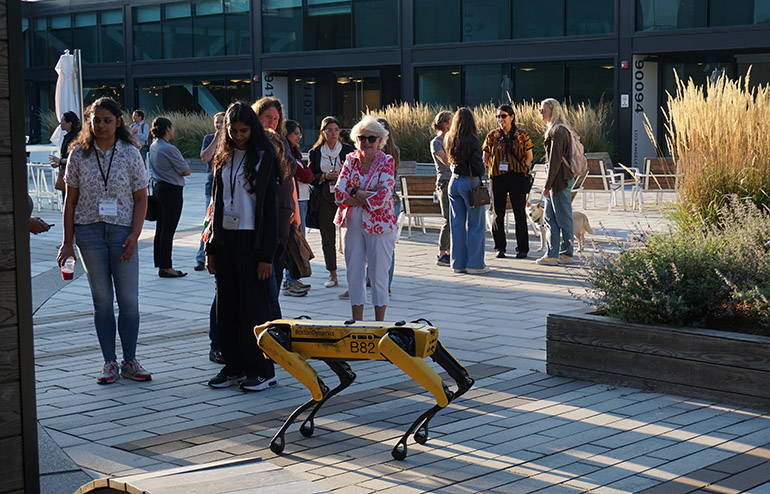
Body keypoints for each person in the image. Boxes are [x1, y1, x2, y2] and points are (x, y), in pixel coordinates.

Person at [56, 97, 150, 384]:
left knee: (129, 300)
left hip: (123, 232)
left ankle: (130, 360)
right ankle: (109, 362)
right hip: (89, 233)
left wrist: (135, 235)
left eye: (107, 120)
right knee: (102, 302)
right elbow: (70, 202)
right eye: (95, 120)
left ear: (118, 122)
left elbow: (141, 197)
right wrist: (67, 242)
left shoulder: (130, 153)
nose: (101, 125)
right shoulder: (78, 155)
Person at [204, 101, 278, 392]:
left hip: (253, 240)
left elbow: (270, 210)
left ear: (253, 128)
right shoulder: (224, 156)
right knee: (228, 307)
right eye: (232, 131)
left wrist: (266, 255)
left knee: (255, 309)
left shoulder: (263, 157)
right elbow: (216, 206)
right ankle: (233, 365)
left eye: (243, 130)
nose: (237, 135)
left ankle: (262, 369)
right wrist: (211, 247)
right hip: (225, 240)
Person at [334, 116, 397, 321]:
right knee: (354, 271)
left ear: (380, 140)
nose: (366, 142)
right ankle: (356, 322)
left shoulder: (387, 161)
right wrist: (364, 193)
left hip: (380, 224)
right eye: (362, 138)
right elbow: (338, 193)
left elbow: (383, 196)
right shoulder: (350, 160)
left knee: (379, 274)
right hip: (352, 221)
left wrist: (353, 192)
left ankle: (379, 325)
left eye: (371, 138)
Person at [252, 97, 296, 293]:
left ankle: (273, 300)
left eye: (276, 119)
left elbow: (290, 174)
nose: (271, 122)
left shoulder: (282, 141)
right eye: (267, 117)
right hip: (260, 208)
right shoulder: (251, 140)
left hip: (284, 206)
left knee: (279, 257)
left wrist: (296, 210)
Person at [308, 116, 355, 288]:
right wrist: (324, 176)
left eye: (336, 130)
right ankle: (332, 274)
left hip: (345, 196)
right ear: (323, 132)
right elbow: (310, 177)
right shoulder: (316, 152)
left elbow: (357, 174)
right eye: (329, 130)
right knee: (327, 236)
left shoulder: (348, 150)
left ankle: (356, 272)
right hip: (325, 196)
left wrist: (344, 173)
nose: (333, 133)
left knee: (352, 235)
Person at [483, 104, 534, 259]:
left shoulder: (522, 134)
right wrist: (495, 168)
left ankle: (522, 248)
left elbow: (529, 156)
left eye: (503, 116)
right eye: (498, 116)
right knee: (498, 212)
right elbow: (486, 157)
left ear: (512, 117)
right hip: (498, 177)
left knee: (519, 211)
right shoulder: (492, 135)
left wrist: (519, 168)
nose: (500, 119)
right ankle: (500, 247)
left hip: (517, 176)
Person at [446, 107, 490, 274]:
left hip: (454, 182)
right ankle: (475, 264)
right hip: (470, 183)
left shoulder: (450, 137)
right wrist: (482, 170)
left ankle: (458, 264)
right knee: (476, 225)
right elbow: (477, 165)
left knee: (456, 224)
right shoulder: (472, 139)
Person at [149, 116, 191, 278]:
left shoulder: (154, 146)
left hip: (159, 188)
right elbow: (186, 170)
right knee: (168, 230)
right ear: (167, 128)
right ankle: (167, 267)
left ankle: (161, 264)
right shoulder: (169, 149)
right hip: (171, 191)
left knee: (161, 229)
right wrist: (177, 171)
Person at [537, 98, 575, 266]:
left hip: (559, 179)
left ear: (553, 111)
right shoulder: (559, 129)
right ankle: (555, 254)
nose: (540, 112)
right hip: (559, 178)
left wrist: (547, 185)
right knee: (551, 216)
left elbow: (555, 161)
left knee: (562, 216)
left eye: (543, 109)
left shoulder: (558, 131)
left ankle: (565, 253)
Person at [283, 119, 315, 296]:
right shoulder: (286, 152)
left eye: (299, 134)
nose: (298, 137)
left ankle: (293, 279)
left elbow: (307, 175)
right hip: (295, 201)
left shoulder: (293, 152)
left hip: (301, 199)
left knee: (297, 239)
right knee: (294, 242)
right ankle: (290, 282)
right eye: (295, 133)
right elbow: (304, 174)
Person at [195, 111, 225, 271]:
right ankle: (201, 256)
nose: (219, 125)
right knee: (209, 220)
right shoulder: (208, 138)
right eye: (217, 122)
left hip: (228, 186)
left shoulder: (233, 139)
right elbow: (205, 157)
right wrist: (216, 139)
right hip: (212, 185)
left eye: (222, 122)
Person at [431, 111, 453, 267]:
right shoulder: (437, 142)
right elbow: (445, 160)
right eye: (452, 121)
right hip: (445, 182)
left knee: (455, 218)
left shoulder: (452, 139)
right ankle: (442, 252)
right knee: (448, 218)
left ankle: (451, 250)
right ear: (446, 124)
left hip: (455, 180)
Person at [50, 111, 82, 202]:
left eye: (63, 120)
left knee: (70, 199)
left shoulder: (76, 137)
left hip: (73, 174)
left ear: (69, 123)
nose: (60, 123)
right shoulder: (68, 136)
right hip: (66, 172)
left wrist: (60, 161)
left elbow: (76, 158)